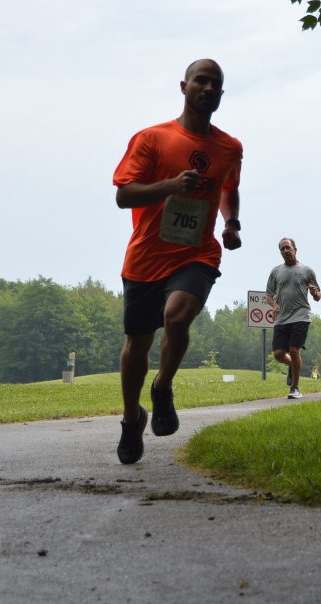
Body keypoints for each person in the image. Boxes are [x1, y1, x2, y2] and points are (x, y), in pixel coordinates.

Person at [112, 58, 244, 464]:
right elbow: (124, 196)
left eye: (215, 84)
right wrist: (170, 185)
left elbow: (229, 188)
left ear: (221, 95)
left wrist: (232, 223)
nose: (207, 89)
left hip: (196, 252)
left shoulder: (230, 147)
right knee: (137, 343)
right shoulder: (152, 139)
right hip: (147, 256)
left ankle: (164, 385)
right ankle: (132, 417)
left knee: (178, 315)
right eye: (200, 81)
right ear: (183, 87)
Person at [266, 238, 321, 399]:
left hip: (301, 316)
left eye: (288, 248)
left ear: (295, 249)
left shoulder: (307, 270)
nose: (285, 251)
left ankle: (295, 388)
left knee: (294, 349)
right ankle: (292, 364)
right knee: (278, 354)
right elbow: (269, 295)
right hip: (282, 318)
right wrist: (274, 305)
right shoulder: (276, 272)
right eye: (282, 249)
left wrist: (314, 293)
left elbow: (318, 296)